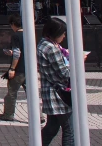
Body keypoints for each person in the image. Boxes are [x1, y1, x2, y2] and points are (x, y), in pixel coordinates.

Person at [38, 17, 73, 145]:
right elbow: (64, 73)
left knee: (52, 128)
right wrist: (78, 63)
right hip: (58, 94)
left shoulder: (44, 44)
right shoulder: (51, 48)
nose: (64, 36)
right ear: (55, 33)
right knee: (69, 129)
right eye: (63, 33)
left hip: (51, 92)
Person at [0, 14, 25, 121]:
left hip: (18, 69)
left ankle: (8, 114)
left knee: (11, 93)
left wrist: (12, 68)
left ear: (13, 24)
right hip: (29, 68)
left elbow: (17, 53)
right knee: (31, 94)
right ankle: (39, 115)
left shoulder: (16, 36)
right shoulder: (29, 34)